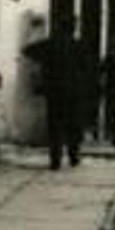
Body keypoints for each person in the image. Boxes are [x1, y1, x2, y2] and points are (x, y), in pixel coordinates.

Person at [22, 16, 81, 170]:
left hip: (54, 91)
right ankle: (73, 156)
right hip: (73, 91)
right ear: (72, 28)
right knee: (72, 125)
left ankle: (55, 159)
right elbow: (86, 68)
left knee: (55, 125)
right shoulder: (77, 47)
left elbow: (27, 50)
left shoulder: (50, 45)